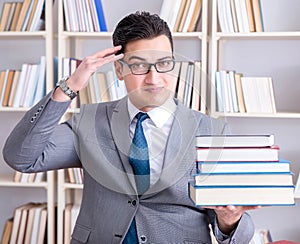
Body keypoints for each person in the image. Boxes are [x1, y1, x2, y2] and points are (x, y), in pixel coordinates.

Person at [3, 11, 257, 243]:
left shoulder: (211, 132)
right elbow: (21, 157)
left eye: (164, 63)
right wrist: (69, 87)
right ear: (119, 69)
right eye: (138, 65)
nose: (154, 78)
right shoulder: (90, 122)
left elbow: (230, 225)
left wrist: (229, 219)